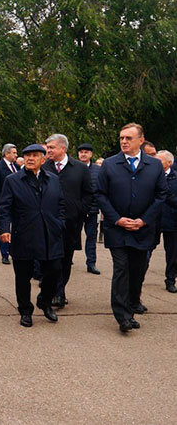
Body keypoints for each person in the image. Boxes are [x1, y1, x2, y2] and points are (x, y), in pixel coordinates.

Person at [97, 123, 167, 332]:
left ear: (140, 140)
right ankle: (123, 317)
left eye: (128, 138)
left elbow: (161, 195)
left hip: (143, 229)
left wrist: (144, 220)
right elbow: (100, 194)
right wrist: (117, 219)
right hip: (117, 229)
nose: (124, 142)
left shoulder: (154, 166)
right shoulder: (110, 165)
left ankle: (130, 307)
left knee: (137, 270)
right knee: (121, 270)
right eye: (121, 138)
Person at [0, 144, 65, 327]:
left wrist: (60, 223)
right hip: (24, 235)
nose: (30, 158)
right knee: (23, 277)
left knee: (54, 271)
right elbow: (4, 208)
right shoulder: (13, 180)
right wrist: (5, 230)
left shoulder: (53, 179)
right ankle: (25, 311)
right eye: (27, 155)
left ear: (43, 160)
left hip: (50, 234)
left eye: (35, 155)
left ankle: (45, 301)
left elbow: (61, 204)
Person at [42, 134, 93, 308]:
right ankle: (49, 288)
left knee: (65, 259)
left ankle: (59, 292)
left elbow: (89, 193)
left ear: (63, 148)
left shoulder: (80, 169)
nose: (48, 150)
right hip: (46, 223)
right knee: (48, 259)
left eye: (51, 147)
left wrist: (80, 211)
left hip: (70, 224)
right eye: (47, 148)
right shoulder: (44, 167)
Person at [0, 143, 20, 265]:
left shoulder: (16, 167)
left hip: (16, 204)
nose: (16, 155)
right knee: (4, 229)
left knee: (16, 229)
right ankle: (4, 254)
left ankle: (14, 251)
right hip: (3, 204)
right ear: (6, 153)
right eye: (14, 153)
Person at [77, 143, 102, 274]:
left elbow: (99, 190)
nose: (83, 154)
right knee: (69, 236)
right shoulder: (73, 167)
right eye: (81, 152)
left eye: (86, 152)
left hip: (92, 210)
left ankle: (91, 263)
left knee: (91, 237)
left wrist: (94, 207)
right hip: (75, 210)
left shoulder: (98, 170)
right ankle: (66, 259)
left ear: (91, 154)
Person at [155, 150, 177, 293]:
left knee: (173, 254)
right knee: (144, 253)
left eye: (160, 161)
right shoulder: (151, 175)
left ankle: (170, 280)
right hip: (152, 220)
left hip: (172, 221)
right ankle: (137, 280)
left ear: (169, 163)